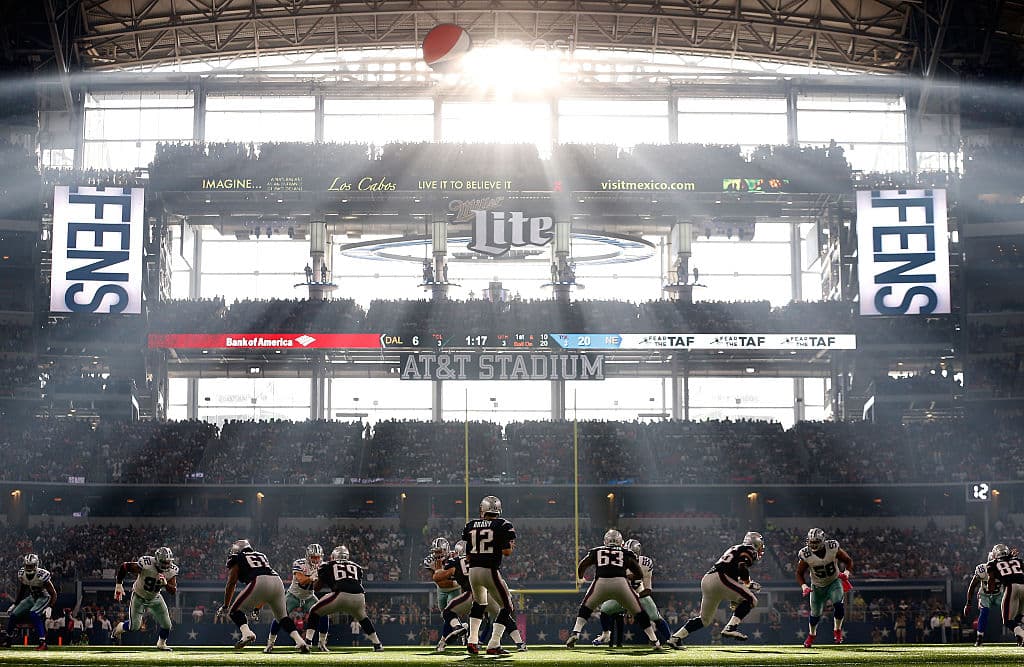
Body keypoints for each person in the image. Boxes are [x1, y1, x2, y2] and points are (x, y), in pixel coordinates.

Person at [565, 530, 662, 650]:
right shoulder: (625, 552)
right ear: (621, 542)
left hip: (601, 583)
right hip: (621, 583)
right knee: (639, 612)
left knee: (586, 607)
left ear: (605, 541)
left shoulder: (598, 550)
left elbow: (583, 565)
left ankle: (576, 632)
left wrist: (580, 578)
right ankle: (654, 640)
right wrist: (632, 578)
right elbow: (638, 573)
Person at [667, 532, 764, 647]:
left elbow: (733, 574)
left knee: (704, 620)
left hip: (708, 579)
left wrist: (739, 594)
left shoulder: (734, 548)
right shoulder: (749, 549)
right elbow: (741, 566)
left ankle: (676, 637)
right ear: (756, 543)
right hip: (720, 578)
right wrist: (748, 583)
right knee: (752, 600)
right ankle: (730, 628)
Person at [435, 541, 526, 652]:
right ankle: (519, 643)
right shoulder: (483, 558)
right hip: (491, 594)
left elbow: (438, 577)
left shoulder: (455, 562)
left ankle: (460, 629)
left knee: (447, 611)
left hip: (473, 595)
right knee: (505, 617)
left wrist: (439, 566)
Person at [220, 539, 308, 653]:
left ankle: (247, 633)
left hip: (259, 581)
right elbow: (265, 591)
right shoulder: (261, 555)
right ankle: (300, 641)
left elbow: (232, 582)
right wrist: (257, 607)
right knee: (282, 617)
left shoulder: (238, 557)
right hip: (277, 581)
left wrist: (226, 605)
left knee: (234, 611)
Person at [461, 495, 517, 655]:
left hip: (473, 571)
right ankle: (494, 643)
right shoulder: (504, 524)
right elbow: (507, 552)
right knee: (507, 606)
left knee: (479, 604)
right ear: (498, 509)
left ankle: (472, 641)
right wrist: (506, 546)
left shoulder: (470, 525)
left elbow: (468, 555)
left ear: (482, 509)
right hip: (489, 570)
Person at [303, 545, 382, 652]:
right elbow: (353, 582)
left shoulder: (327, 565)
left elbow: (317, 588)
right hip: (359, 596)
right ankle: (377, 644)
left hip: (341, 595)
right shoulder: (357, 567)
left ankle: (308, 642)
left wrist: (316, 579)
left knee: (314, 611)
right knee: (363, 618)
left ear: (334, 556)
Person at [593, 538, 671, 645]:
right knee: (604, 610)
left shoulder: (646, 563)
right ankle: (605, 635)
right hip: (622, 593)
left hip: (639, 592)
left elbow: (648, 589)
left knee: (655, 617)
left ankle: (671, 640)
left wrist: (636, 596)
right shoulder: (617, 561)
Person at [112, 547, 179, 651]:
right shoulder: (146, 564)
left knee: (167, 624)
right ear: (156, 559)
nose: (166, 565)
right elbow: (125, 566)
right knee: (134, 627)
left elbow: (173, 591)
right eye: (163, 562)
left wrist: (166, 584)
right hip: (139, 596)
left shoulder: (172, 571)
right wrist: (119, 584)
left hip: (155, 597)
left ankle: (161, 643)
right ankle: (120, 627)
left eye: (168, 562)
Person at [797, 528, 854, 647]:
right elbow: (799, 573)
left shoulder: (832, 547)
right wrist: (804, 586)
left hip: (834, 581)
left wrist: (846, 574)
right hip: (817, 586)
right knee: (815, 614)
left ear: (823, 540)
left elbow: (848, 561)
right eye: (811, 541)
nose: (813, 544)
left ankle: (837, 631)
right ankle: (812, 635)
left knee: (838, 605)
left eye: (815, 541)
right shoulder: (805, 553)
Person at [266, 544, 327, 653]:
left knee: (323, 613)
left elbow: (318, 587)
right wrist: (311, 578)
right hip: (293, 596)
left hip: (309, 597)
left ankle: (320, 643)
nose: (316, 559)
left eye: (318, 557)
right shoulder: (299, 563)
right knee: (279, 616)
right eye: (313, 557)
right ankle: (270, 643)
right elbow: (301, 580)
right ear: (308, 556)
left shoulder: (323, 566)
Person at [4, 554, 56, 650]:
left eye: (31, 566)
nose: (28, 568)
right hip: (32, 597)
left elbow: (53, 593)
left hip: (43, 597)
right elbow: (22, 590)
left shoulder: (42, 575)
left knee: (33, 614)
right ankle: (8, 639)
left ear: (36, 565)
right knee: (13, 614)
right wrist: (15, 604)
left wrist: (50, 607)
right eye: (27, 566)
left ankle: (43, 642)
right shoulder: (22, 573)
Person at [984, 543, 1024, 645]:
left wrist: (990, 589)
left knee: (1007, 620)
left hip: (1011, 587)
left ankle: (1022, 635)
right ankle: (1020, 637)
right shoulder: (1017, 560)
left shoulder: (992, 564)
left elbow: (991, 585)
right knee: (1019, 616)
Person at [424, 537, 460, 645]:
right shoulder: (430, 561)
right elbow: (438, 581)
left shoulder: (455, 557)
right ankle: (458, 626)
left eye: (440, 551)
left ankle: (444, 640)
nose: (437, 554)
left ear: (446, 550)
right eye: (435, 552)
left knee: (450, 611)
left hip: (455, 588)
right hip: (442, 588)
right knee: (445, 615)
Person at [964, 547, 1003, 647]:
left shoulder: (1003, 569)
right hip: (985, 594)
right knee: (984, 611)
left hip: (999, 594)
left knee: (1010, 611)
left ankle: (1019, 633)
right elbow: (972, 586)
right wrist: (968, 603)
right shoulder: (982, 569)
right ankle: (979, 637)